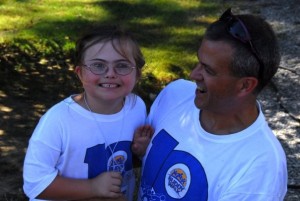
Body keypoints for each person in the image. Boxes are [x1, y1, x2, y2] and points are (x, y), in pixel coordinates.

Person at [135, 8, 287, 201]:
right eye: (199, 62)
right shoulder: (175, 94)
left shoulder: (259, 169)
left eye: (208, 70)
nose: (193, 75)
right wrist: (144, 153)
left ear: (245, 85)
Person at [23, 25, 152, 201]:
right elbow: (36, 185)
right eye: (98, 65)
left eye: (122, 66)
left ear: (137, 74)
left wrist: (139, 152)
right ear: (80, 73)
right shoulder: (58, 120)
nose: (110, 74)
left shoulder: (136, 108)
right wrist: (93, 188)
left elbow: (120, 161)